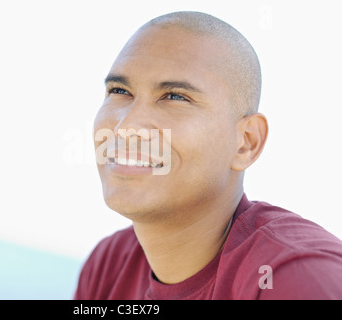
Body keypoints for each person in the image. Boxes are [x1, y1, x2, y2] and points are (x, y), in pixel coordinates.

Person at [74, 11, 342, 300]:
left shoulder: (295, 278)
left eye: (175, 96)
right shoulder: (109, 267)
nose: (126, 126)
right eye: (119, 90)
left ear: (246, 143)